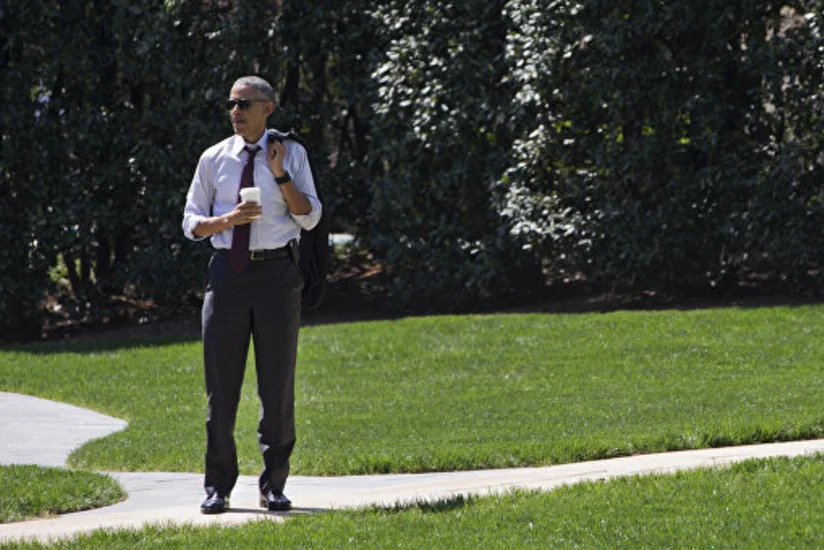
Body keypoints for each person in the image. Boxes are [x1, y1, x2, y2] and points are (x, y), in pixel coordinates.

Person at [182, 75, 321, 514]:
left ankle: (273, 485)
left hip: (279, 275)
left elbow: (309, 217)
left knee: (276, 384)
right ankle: (218, 487)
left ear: (269, 108)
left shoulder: (292, 154)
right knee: (221, 388)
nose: (236, 111)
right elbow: (191, 223)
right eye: (232, 104)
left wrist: (279, 174)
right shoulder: (214, 158)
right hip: (227, 276)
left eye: (245, 103)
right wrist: (230, 220)